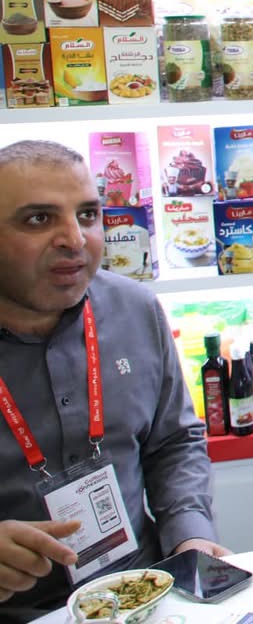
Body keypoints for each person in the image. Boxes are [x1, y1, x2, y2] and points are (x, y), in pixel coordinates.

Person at [0, 141, 226, 618]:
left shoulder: (135, 309)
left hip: (144, 593)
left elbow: (173, 442)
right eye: (38, 219)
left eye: (87, 215)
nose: (75, 239)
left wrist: (190, 536)